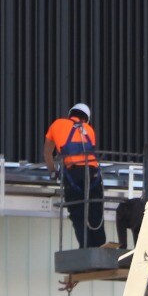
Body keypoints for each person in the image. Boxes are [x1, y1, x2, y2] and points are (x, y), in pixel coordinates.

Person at [44, 103, 105, 248]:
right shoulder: (89, 130)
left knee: (78, 214)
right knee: (95, 214)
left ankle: (85, 248)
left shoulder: (57, 124)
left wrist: (53, 172)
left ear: (70, 113)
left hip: (73, 177)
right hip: (93, 176)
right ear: (86, 119)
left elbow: (47, 153)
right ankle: (100, 248)